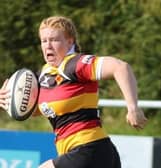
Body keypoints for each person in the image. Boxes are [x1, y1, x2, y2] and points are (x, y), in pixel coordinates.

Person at [0, 16, 147, 168]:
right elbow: (37, 109)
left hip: (89, 149)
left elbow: (120, 67)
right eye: (44, 41)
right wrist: (9, 101)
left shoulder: (76, 64)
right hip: (86, 153)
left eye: (54, 40)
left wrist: (132, 107)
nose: (48, 45)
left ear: (70, 41)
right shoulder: (44, 74)